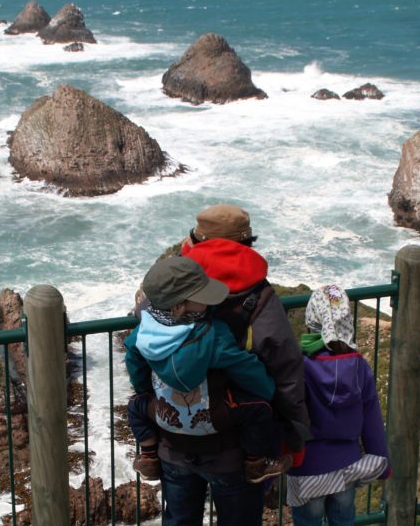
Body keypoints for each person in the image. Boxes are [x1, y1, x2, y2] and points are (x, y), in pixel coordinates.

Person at [125, 256, 292, 525]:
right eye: (202, 295)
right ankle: (255, 461)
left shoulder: (141, 335)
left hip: (172, 450)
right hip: (224, 454)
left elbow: (136, 372)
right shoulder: (215, 337)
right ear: (181, 305)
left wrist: (148, 390)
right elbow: (253, 377)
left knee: (179, 520)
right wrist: (267, 389)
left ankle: (148, 456)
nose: (211, 300)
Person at [180, 204, 312, 458]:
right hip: (235, 435)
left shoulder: (174, 284)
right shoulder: (260, 297)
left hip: (174, 430)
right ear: (248, 243)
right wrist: (295, 434)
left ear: (196, 240)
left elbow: (142, 328)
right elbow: (286, 368)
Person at [286, 284, 390, 526]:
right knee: (343, 521)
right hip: (348, 467)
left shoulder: (298, 365)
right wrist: (383, 463)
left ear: (312, 318)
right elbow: (372, 419)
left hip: (307, 469)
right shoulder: (359, 366)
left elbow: (287, 416)